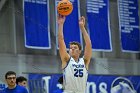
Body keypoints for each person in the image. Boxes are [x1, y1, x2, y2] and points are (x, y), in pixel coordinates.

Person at [57, 15, 92, 93]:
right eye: (71, 48)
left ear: (80, 51)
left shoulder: (85, 61)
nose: (72, 49)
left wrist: (82, 27)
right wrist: (61, 24)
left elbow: (88, 44)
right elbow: (60, 40)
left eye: (75, 48)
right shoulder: (66, 60)